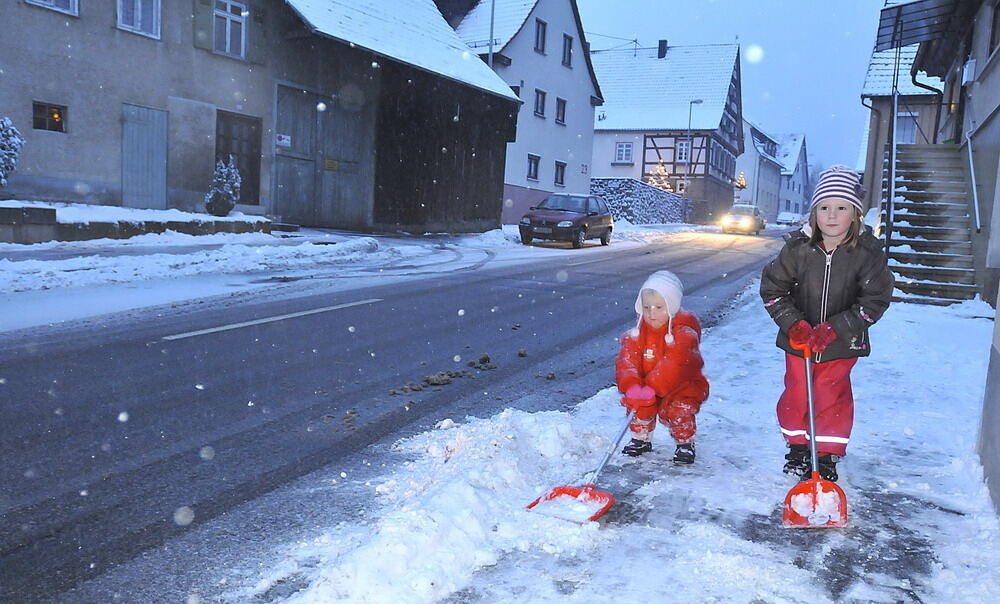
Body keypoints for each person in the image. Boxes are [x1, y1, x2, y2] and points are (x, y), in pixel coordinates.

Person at [760, 165, 894, 482]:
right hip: (799, 343)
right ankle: (797, 446)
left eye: (841, 208)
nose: (831, 216)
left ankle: (826, 454)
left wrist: (835, 328)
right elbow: (772, 290)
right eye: (824, 208)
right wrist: (795, 324)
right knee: (796, 395)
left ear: (855, 214)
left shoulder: (867, 253)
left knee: (829, 396)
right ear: (814, 213)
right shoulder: (797, 250)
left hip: (841, 344)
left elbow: (875, 300)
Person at [616, 270, 710, 464]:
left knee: (679, 411)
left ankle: (685, 443)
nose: (651, 313)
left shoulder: (684, 334)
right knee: (638, 406)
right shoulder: (636, 335)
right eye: (647, 307)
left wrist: (653, 386)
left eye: (659, 307)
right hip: (647, 387)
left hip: (681, 387)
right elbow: (627, 361)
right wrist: (632, 384)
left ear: (672, 307)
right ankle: (640, 439)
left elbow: (676, 364)